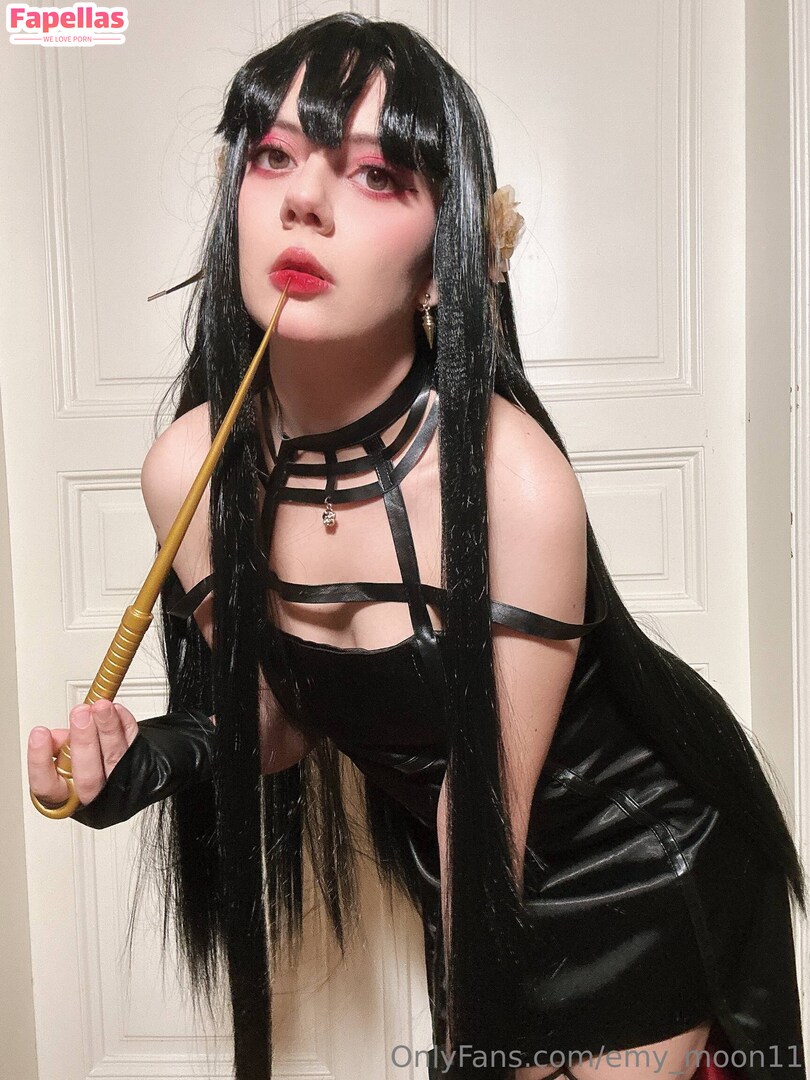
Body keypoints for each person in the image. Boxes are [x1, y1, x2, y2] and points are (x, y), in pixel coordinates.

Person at [26, 12, 807, 1080]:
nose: (305, 199)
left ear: (445, 263)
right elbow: (279, 723)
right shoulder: (186, 471)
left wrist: (465, 1048)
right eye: (274, 156)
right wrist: (146, 761)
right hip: (468, 872)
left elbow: (480, 815)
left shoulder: (512, 479)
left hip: (637, 869)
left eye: (376, 174)